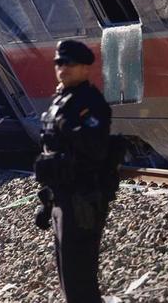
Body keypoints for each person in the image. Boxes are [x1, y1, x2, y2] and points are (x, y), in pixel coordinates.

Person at [34, 40, 118, 303]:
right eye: (59, 63)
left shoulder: (91, 103)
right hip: (61, 196)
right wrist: (46, 201)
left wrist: (67, 124)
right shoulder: (61, 100)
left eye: (70, 63)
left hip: (83, 197)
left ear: (85, 68)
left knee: (79, 270)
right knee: (66, 269)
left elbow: (93, 150)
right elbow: (52, 153)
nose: (63, 68)